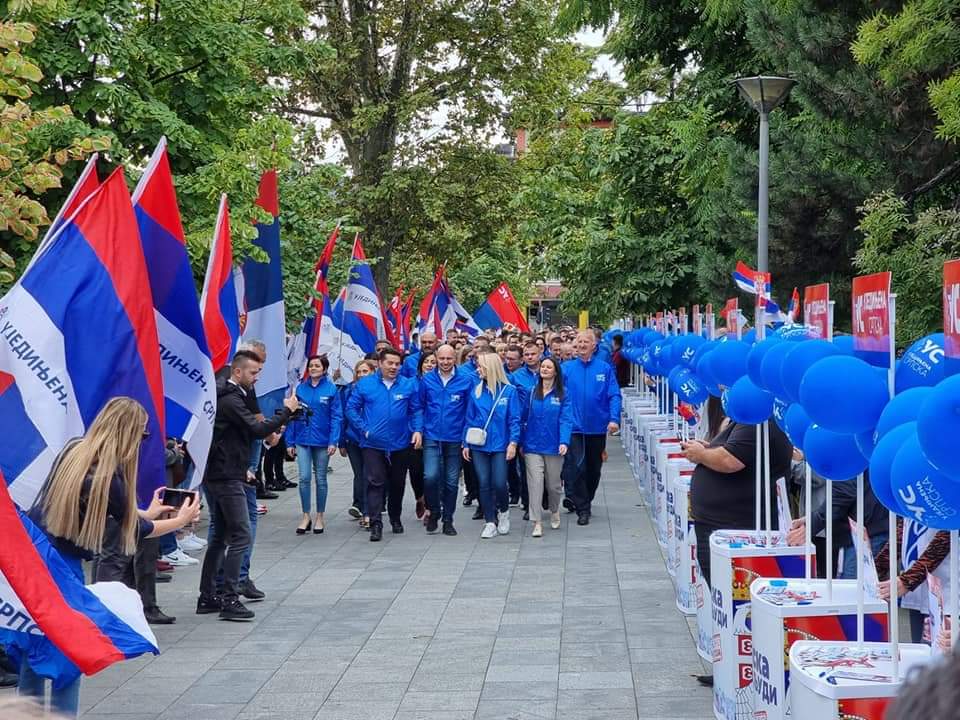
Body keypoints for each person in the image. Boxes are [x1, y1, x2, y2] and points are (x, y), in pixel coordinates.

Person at [12, 397, 200, 717]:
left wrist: (145, 511)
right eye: (142, 435)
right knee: (69, 657)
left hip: (32, 558)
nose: (144, 442)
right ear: (127, 435)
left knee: (34, 650)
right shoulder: (108, 478)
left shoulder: (75, 452)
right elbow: (138, 529)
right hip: (62, 567)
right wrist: (181, 521)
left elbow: (105, 508)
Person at [199, 350, 297, 620]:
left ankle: (208, 596)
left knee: (220, 536)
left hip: (225, 470)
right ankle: (229, 598)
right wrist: (285, 412)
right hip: (226, 474)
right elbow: (255, 430)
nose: (257, 378)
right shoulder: (230, 398)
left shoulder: (232, 395)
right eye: (253, 373)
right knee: (241, 534)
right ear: (238, 372)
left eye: (258, 372)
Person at [346, 347, 424, 541]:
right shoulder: (365, 384)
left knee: (397, 483)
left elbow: (416, 410)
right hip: (372, 443)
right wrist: (364, 429)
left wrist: (417, 430)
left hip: (400, 442)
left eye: (397, 364)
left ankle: (395, 517)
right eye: (390, 363)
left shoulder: (407, 385)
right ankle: (375, 523)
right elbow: (351, 409)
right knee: (375, 481)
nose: (394, 367)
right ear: (380, 363)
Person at [560, 330, 621, 526]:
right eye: (580, 341)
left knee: (593, 469)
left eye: (587, 341)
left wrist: (614, 418)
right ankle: (582, 508)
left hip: (597, 427)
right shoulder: (566, 368)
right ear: (575, 345)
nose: (583, 344)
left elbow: (614, 395)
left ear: (594, 345)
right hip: (573, 427)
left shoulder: (604, 368)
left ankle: (587, 498)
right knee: (577, 466)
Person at [462, 352, 521, 539]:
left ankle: (503, 512)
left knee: (499, 482)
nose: (478, 369)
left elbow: (514, 420)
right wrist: (465, 443)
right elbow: (469, 419)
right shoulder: (476, 391)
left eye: (481, 366)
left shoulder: (509, 391)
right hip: (479, 445)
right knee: (484, 483)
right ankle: (489, 521)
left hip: (500, 445)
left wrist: (513, 443)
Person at [785, 473, 889, 579]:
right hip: (864, 526)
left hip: (866, 531)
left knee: (852, 590)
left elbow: (843, 492)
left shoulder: (849, 461)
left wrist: (811, 524)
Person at [420, 343, 474, 536]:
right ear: (436, 358)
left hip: (455, 437)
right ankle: (434, 509)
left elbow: (470, 412)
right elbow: (419, 407)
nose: (445, 362)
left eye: (449, 358)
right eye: (441, 359)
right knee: (430, 476)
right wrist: (419, 430)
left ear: (455, 359)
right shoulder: (427, 380)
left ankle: (448, 519)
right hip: (432, 436)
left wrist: (466, 439)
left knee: (451, 481)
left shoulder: (466, 381)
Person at [288, 355, 342, 535]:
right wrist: (290, 441)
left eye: (317, 366)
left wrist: (333, 440)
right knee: (304, 478)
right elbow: (292, 416)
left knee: (320, 479)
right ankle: (305, 515)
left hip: (323, 440)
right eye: (311, 366)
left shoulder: (331, 389)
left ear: (324, 369)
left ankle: (320, 516)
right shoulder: (300, 389)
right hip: (303, 440)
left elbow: (336, 417)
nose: (313, 368)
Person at [874, 518, 949, 644]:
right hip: (916, 589)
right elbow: (904, 527)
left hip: (946, 590)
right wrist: (879, 567)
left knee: (940, 654)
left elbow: (948, 535)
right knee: (919, 649)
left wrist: (908, 580)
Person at [522, 357, 572, 537]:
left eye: (548, 367)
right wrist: (519, 441)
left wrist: (564, 441)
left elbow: (566, 419)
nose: (544, 369)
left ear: (555, 372)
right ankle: (537, 521)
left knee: (553, 485)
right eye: (542, 366)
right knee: (535, 483)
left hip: (553, 445)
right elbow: (522, 418)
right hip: (532, 445)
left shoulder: (563, 394)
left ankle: (554, 509)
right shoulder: (531, 392)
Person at [340, 359, 378, 528]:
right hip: (353, 439)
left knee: (370, 474)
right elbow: (342, 415)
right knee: (360, 474)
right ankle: (364, 510)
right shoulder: (348, 389)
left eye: (365, 371)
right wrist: (340, 441)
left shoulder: (378, 389)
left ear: (372, 372)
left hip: (371, 439)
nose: (362, 375)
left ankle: (371, 510)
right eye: (359, 372)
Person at [408, 351, 437, 523]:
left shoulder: (439, 383)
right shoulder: (411, 384)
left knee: (432, 472)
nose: (429, 364)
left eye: (433, 361)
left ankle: (431, 507)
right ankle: (420, 497)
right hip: (413, 432)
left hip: (434, 432)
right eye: (426, 361)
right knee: (416, 470)